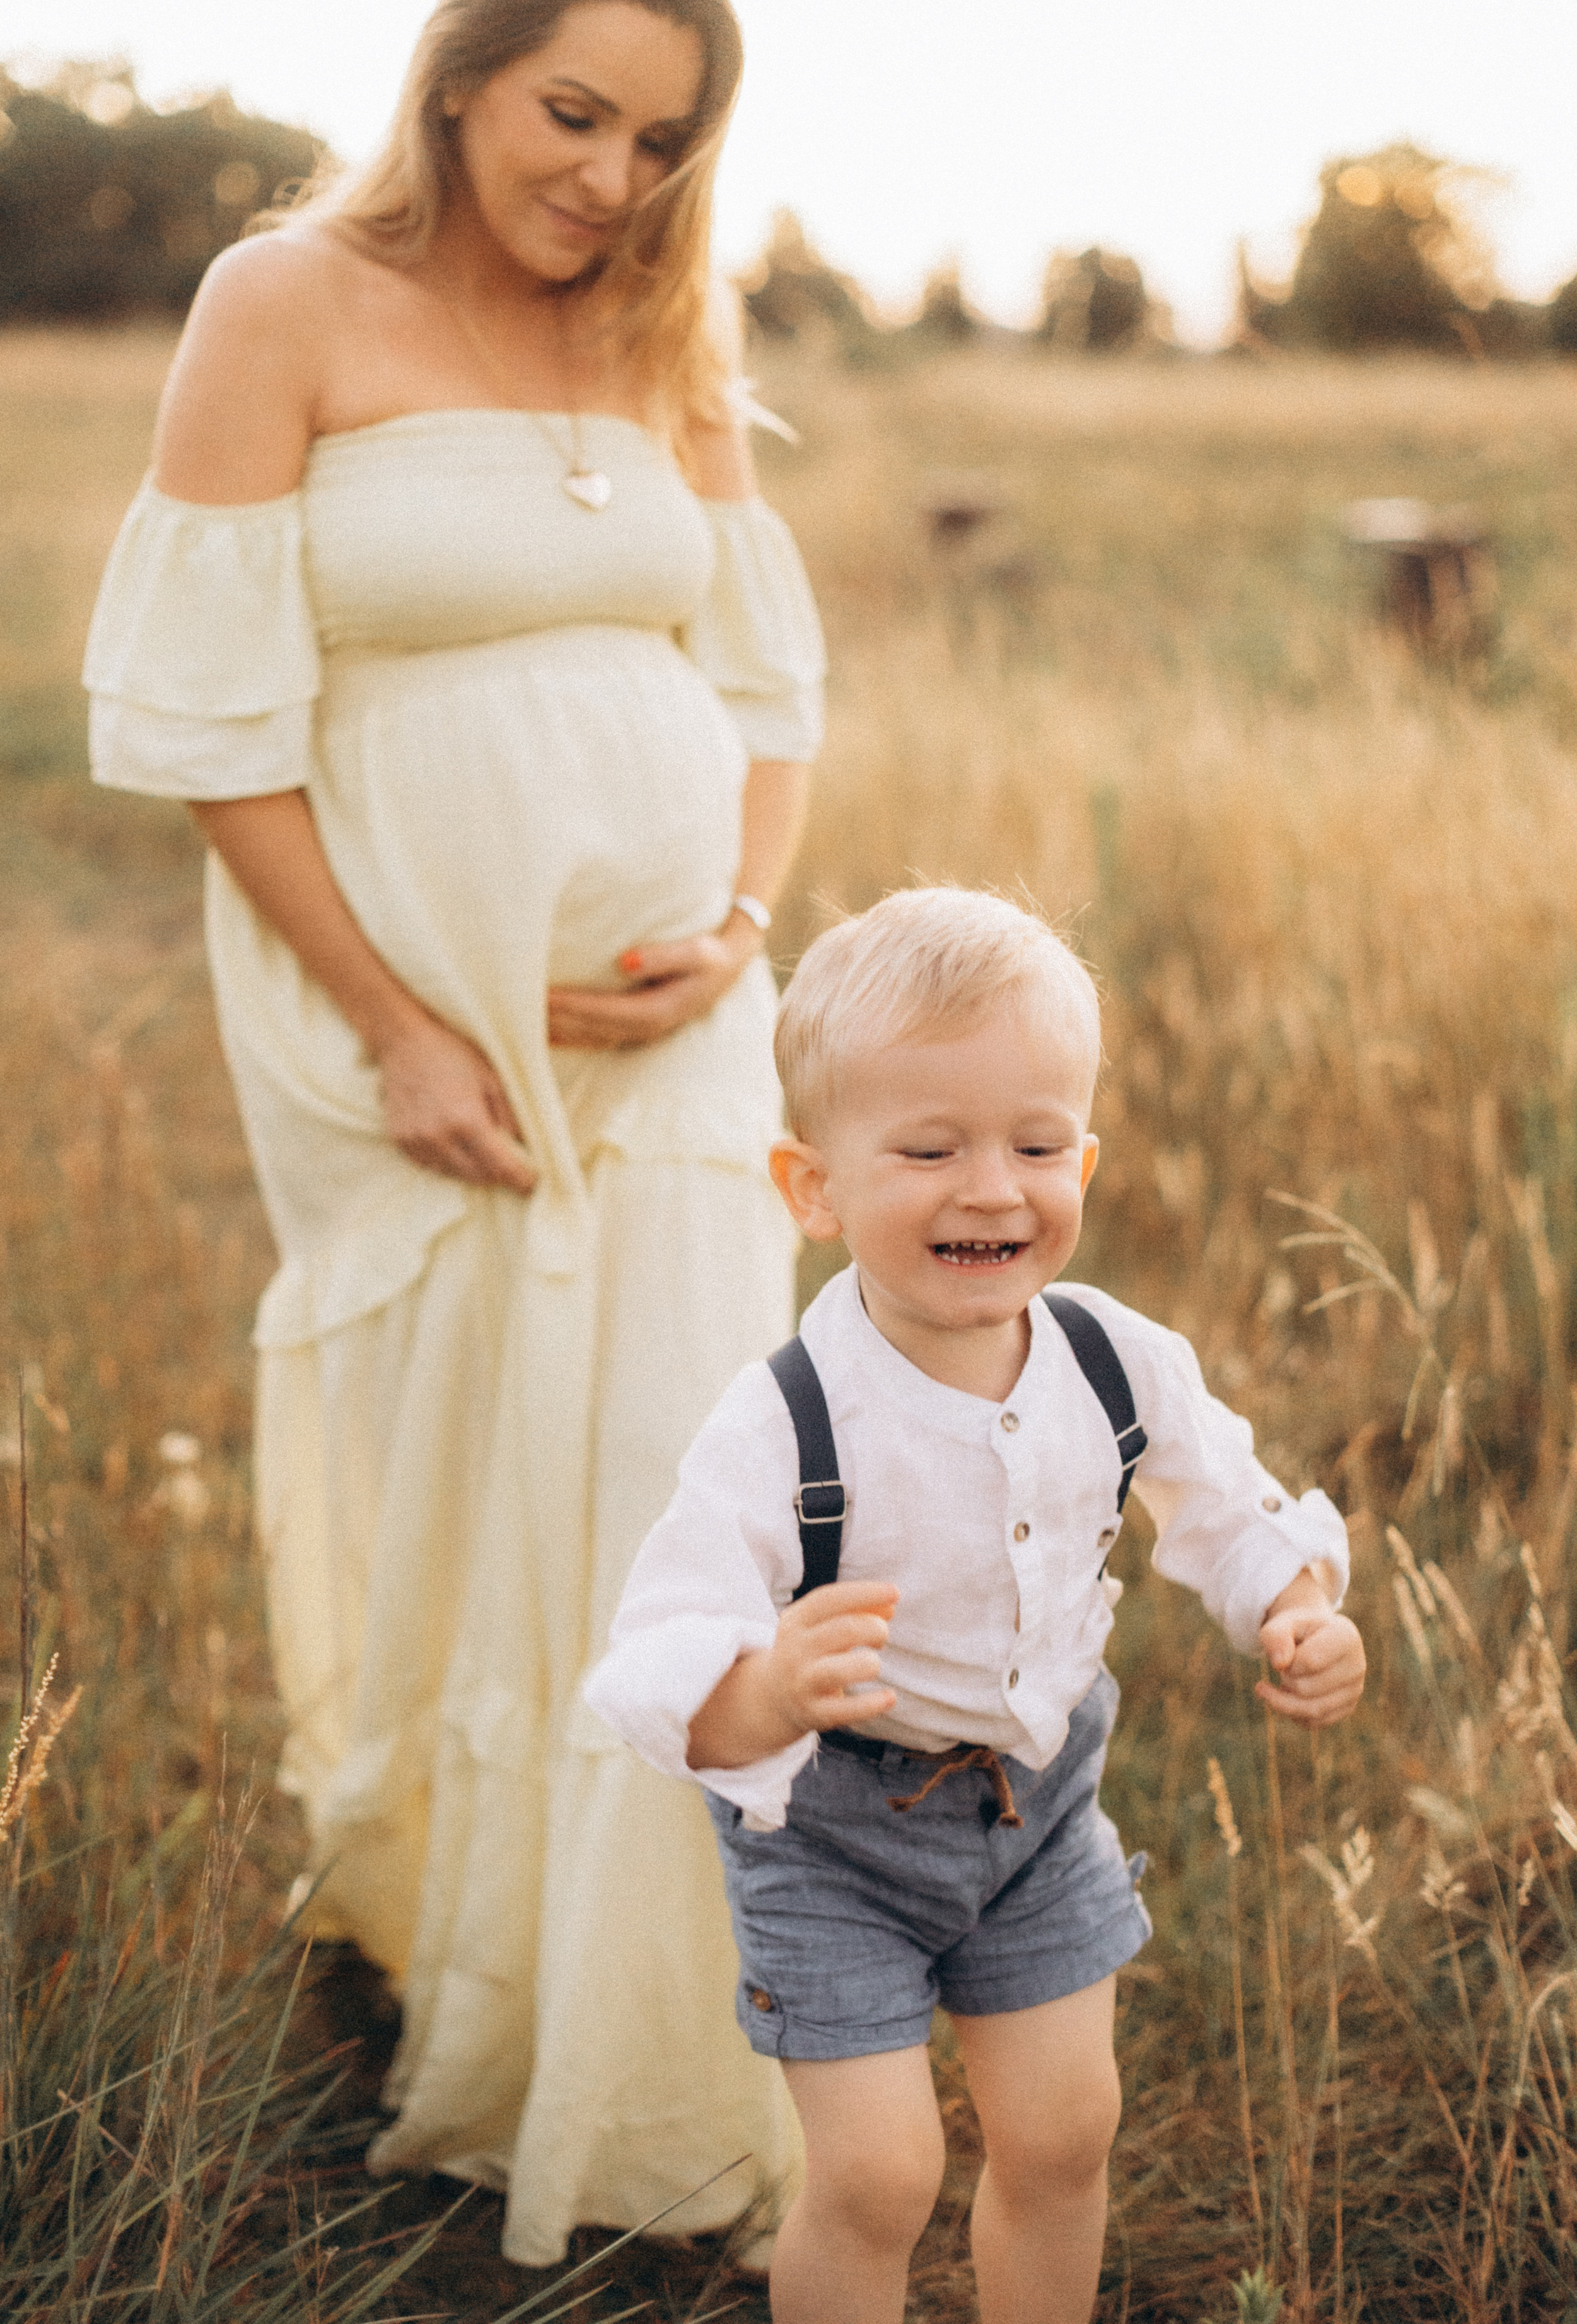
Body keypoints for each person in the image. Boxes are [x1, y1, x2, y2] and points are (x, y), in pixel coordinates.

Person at [83, 0, 825, 2269]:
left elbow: (768, 699)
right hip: (410, 1043)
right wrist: (406, 1020)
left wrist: (739, 921)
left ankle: (664, 2056)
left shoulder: (661, 332)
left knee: (665, 1493)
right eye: (573, 115)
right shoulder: (284, 304)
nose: (610, 179)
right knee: (462, 1495)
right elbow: (212, 718)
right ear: (460, 82)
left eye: (661, 141)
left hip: (678, 1041)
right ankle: (439, 1968)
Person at [586, 887, 1368, 2324]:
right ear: (811, 1188)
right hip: (830, 1831)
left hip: (1034, 1812)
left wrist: (1292, 1604)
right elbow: (656, 1642)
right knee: (880, 2175)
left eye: (1033, 1144)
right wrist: (758, 1693)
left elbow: (1222, 1499)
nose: (991, 1189)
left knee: (1066, 2136)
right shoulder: (785, 1419)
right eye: (928, 1149)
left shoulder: (1109, 1358)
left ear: (1083, 1153)